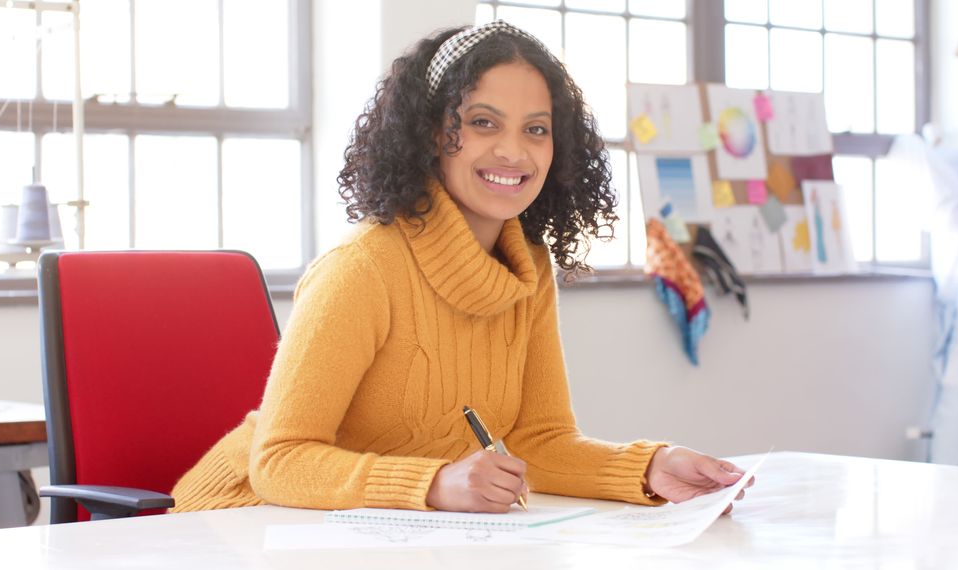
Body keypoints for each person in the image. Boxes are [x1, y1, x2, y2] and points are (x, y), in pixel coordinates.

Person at [171, 20, 751, 515]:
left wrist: (650, 467)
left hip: (370, 535)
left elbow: (538, 441)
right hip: (236, 523)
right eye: (482, 122)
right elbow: (279, 460)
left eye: (536, 129)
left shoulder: (528, 270)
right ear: (430, 131)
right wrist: (432, 484)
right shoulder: (361, 270)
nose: (513, 152)